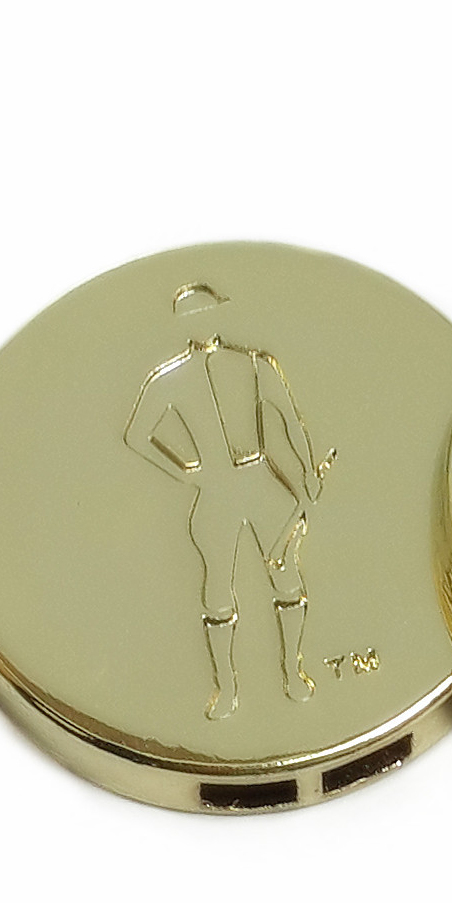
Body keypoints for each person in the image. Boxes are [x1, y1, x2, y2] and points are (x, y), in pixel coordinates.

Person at [124, 283, 332, 719]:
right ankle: (226, 690)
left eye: (208, 314)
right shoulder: (171, 379)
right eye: (194, 317)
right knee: (218, 590)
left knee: (286, 575)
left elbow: (291, 422)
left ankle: (293, 672)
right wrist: (184, 471)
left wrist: (307, 474)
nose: (203, 323)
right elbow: (137, 435)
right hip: (215, 493)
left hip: (262, 484)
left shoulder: (254, 365)